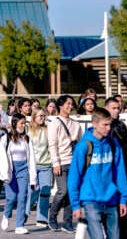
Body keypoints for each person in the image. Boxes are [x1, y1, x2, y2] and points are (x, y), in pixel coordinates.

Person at [68, 108, 127, 239]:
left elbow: (120, 172)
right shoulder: (84, 146)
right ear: (94, 124)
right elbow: (74, 177)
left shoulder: (113, 144)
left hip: (111, 199)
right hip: (90, 200)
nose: (108, 128)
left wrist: (123, 199)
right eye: (105, 125)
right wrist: (75, 205)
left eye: (109, 124)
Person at [47, 95, 82, 233]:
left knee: (71, 192)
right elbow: (52, 144)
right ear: (60, 105)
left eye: (72, 104)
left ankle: (67, 222)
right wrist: (55, 163)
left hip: (73, 162)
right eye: (68, 104)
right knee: (63, 191)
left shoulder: (76, 124)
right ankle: (52, 217)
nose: (70, 106)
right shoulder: (54, 122)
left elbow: (81, 142)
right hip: (60, 162)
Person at [0, 113, 37, 235]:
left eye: (25, 123)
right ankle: (6, 215)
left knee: (22, 197)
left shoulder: (27, 138)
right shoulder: (6, 138)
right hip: (10, 170)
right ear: (14, 124)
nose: (23, 125)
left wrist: (33, 178)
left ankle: (20, 225)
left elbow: (32, 159)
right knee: (11, 197)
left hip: (23, 170)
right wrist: (4, 173)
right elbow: (1, 156)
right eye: (21, 123)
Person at [105, 97, 127, 239]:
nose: (116, 110)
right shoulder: (103, 128)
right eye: (113, 108)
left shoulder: (121, 125)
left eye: (118, 108)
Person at [25, 107, 52, 227]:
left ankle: (42, 218)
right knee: (33, 190)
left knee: (45, 192)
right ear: (34, 117)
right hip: (33, 165)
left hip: (46, 165)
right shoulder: (28, 130)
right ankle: (25, 211)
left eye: (44, 116)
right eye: (40, 116)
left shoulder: (48, 130)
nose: (42, 118)